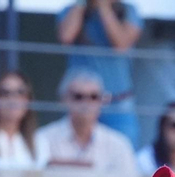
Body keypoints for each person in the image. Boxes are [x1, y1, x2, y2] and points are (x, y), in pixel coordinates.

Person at [56, 0, 142, 143]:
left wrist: (104, 6)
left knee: (124, 150)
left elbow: (121, 44)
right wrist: (82, 3)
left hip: (117, 103)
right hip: (82, 102)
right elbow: (66, 36)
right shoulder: (71, 10)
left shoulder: (128, 11)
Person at [38, 68, 138, 172]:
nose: (86, 103)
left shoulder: (119, 146)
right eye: (78, 97)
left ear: (102, 101)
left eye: (94, 97)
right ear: (64, 99)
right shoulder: (43, 140)